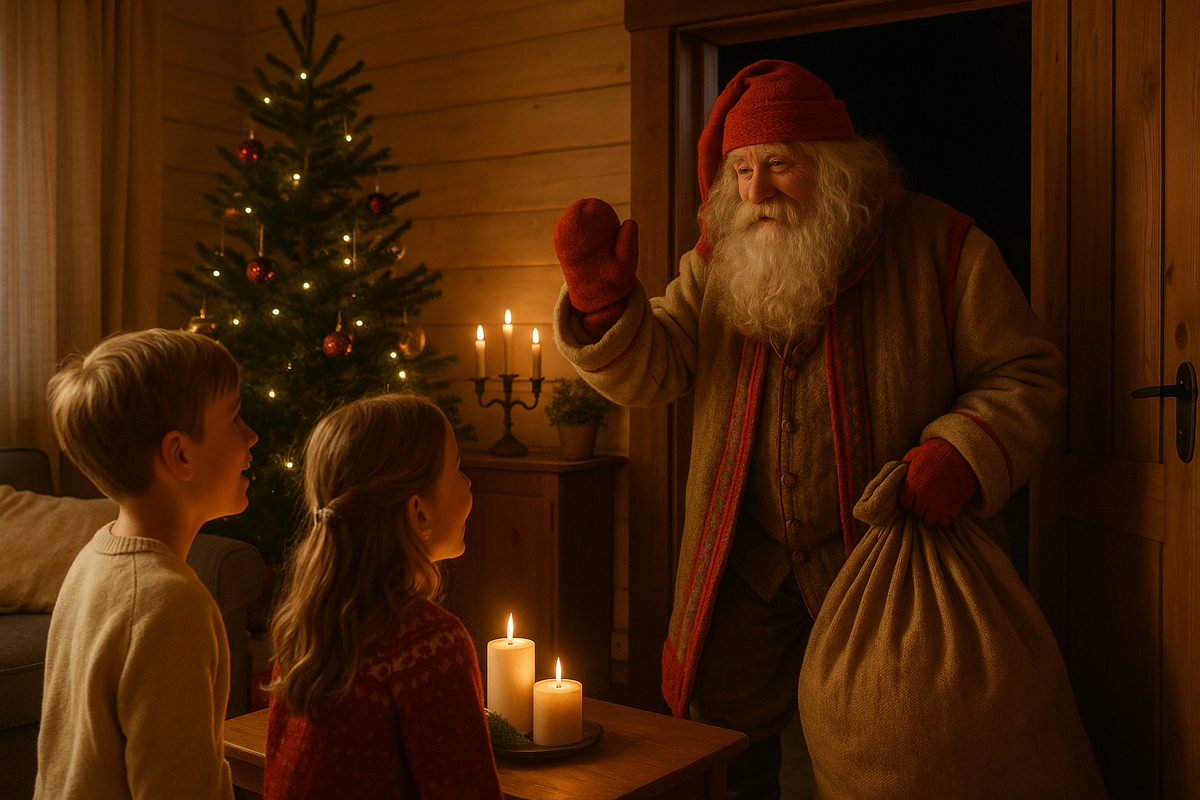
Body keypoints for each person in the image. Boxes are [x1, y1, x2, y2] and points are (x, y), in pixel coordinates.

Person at [552, 59, 1066, 798]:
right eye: (740, 170)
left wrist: (962, 450)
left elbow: (1027, 371)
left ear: (836, 165)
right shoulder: (717, 260)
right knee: (723, 742)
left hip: (886, 558)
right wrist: (603, 308)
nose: (755, 191)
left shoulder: (943, 246)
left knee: (897, 747)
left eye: (779, 166)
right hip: (747, 560)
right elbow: (657, 366)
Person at [36, 328, 257, 800]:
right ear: (179, 455)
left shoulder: (94, 557)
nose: (251, 435)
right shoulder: (171, 604)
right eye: (235, 418)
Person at [263, 393, 503, 799]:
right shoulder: (429, 643)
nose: (468, 482)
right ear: (418, 513)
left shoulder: (305, 622)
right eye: (457, 469)